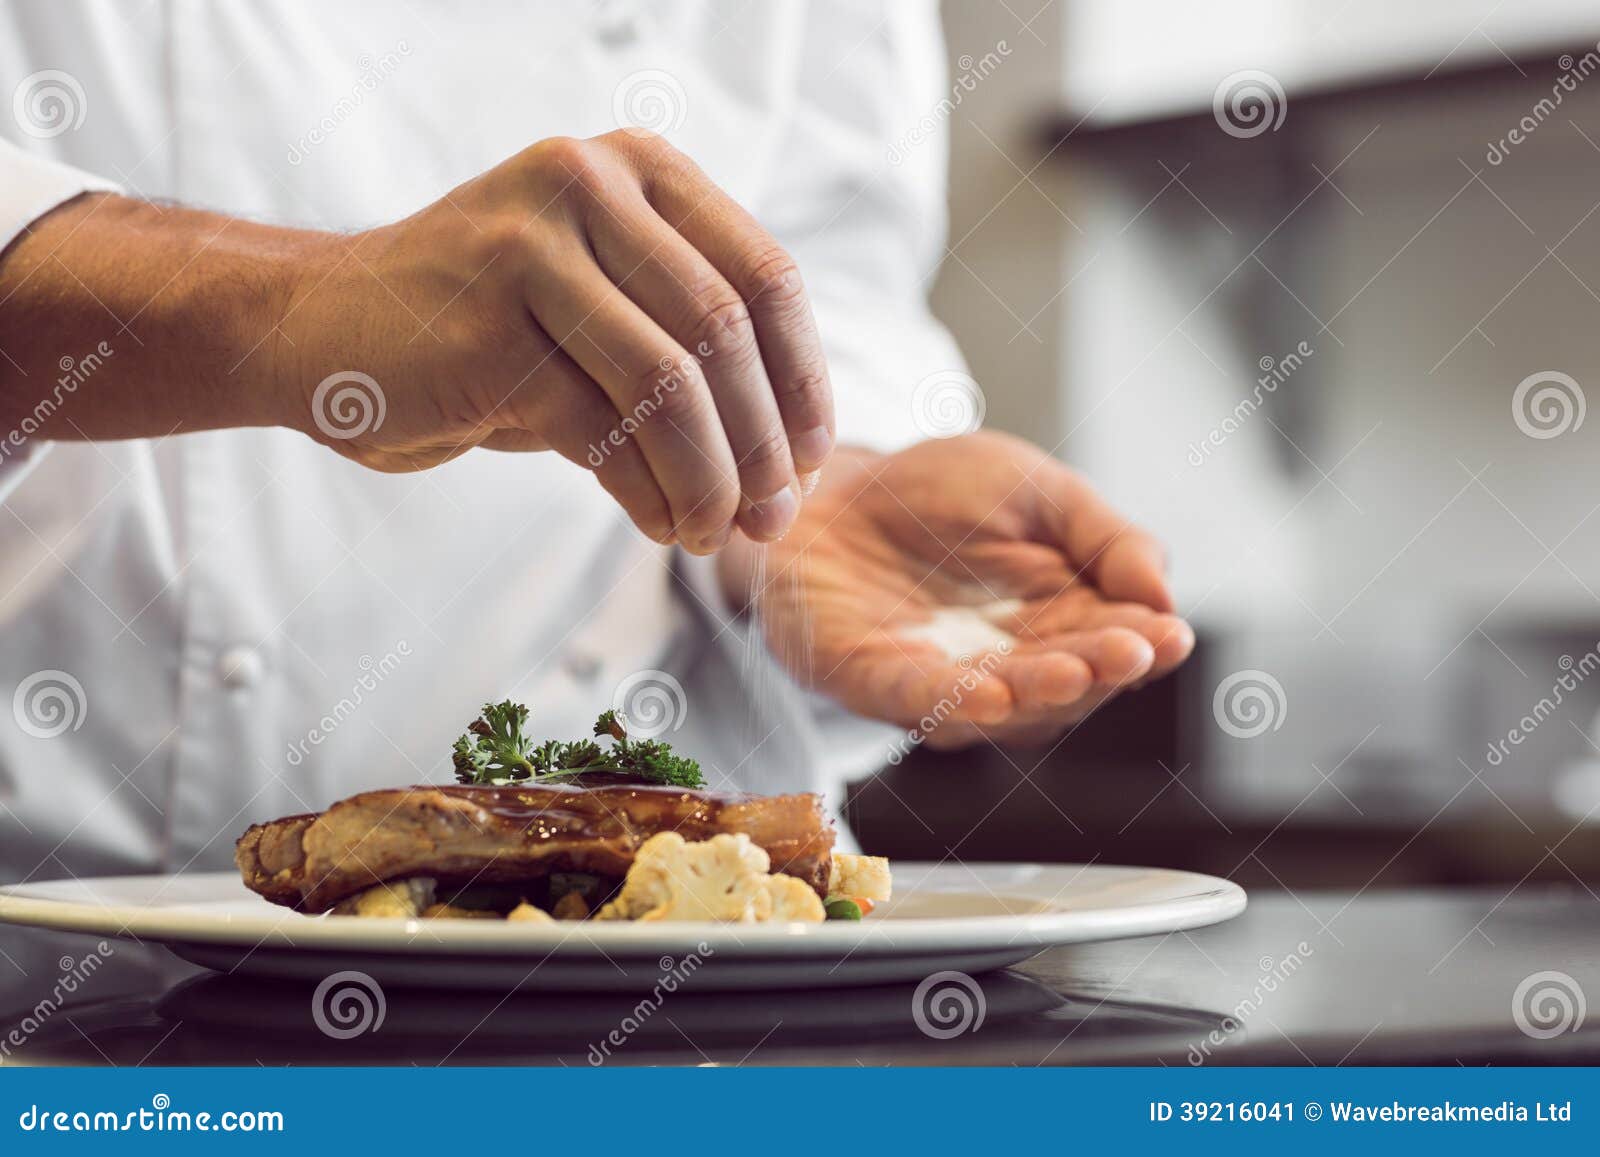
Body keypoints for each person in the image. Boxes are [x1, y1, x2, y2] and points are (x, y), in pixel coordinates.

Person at [0, 1, 1192, 878]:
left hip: (663, 955)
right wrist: (303, 305)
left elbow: (828, 267)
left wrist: (796, 494)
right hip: (48, 952)